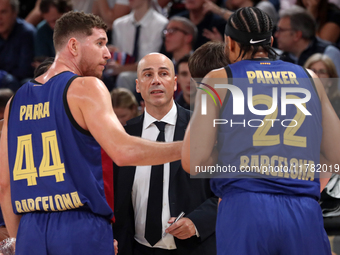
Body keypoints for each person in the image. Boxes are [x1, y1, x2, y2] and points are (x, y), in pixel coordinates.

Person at [0, 11, 183, 255]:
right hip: (78, 226)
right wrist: (187, 147)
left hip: (30, 229)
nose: (108, 53)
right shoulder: (86, 87)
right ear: (73, 46)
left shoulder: (15, 101)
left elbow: (4, 184)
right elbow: (124, 151)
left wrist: (18, 239)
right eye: (100, 43)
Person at [182, 6, 339, 254]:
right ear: (272, 41)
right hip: (303, 209)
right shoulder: (309, 77)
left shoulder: (218, 79)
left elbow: (193, 161)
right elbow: (337, 154)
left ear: (229, 44)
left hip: (246, 207)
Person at [113, 53, 218, 255]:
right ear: (137, 85)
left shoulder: (202, 127)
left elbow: (224, 193)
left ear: (175, 82)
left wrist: (196, 222)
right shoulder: (124, 135)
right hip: (136, 249)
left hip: (193, 248)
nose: (156, 81)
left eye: (163, 73)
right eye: (147, 74)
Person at [0, 0, 36, 87]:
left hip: (18, 86)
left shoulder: (26, 33)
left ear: (14, 13)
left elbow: (24, 71)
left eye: (3, 12)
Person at [34, 0, 73, 65]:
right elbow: (42, 64)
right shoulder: (42, 30)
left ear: (66, 11)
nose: (52, 26)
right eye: (48, 22)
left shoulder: (82, 25)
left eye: (55, 20)